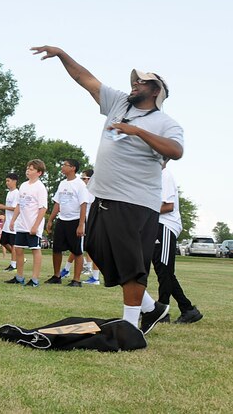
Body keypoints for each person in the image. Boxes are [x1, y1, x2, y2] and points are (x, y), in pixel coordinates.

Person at [33, 46, 183, 333]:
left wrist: (138, 131)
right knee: (93, 247)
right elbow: (84, 79)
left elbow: (175, 151)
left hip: (136, 201)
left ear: (156, 91)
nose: (134, 84)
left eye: (142, 82)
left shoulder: (165, 123)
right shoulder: (118, 102)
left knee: (131, 261)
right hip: (105, 196)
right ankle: (151, 308)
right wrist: (62, 54)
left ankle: (130, 325)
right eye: (134, 81)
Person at [154, 163, 202, 324]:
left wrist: (146, 210)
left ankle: (162, 313)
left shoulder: (165, 175)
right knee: (164, 271)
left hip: (166, 226)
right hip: (157, 226)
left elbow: (168, 206)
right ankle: (187, 309)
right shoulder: (156, 176)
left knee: (164, 271)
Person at [45, 159, 89, 287]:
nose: (62, 167)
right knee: (57, 249)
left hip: (75, 220)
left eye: (65, 165)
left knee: (77, 251)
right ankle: (56, 276)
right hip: (62, 220)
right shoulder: (62, 183)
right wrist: (50, 219)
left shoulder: (80, 184)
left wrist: (81, 225)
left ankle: (76, 280)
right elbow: (57, 203)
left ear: (73, 168)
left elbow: (83, 205)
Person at [4, 160, 48, 287]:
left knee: (35, 249)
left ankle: (34, 279)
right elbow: (19, 204)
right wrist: (12, 220)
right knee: (18, 249)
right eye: (28, 168)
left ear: (39, 172)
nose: (28, 170)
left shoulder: (40, 187)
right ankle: (19, 276)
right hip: (22, 224)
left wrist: (35, 226)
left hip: (33, 225)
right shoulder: (23, 185)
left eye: (32, 169)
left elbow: (43, 208)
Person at [0, 174, 20, 272]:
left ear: (15, 181)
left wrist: (3, 207)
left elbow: (16, 208)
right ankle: (18, 258)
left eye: (9, 181)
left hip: (14, 222)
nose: (7, 183)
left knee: (13, 244)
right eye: (6, 181)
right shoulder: (9, 193)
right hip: (8, 222)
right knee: (3, 242)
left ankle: (14, 265)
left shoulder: (16, 193)